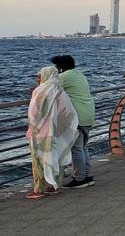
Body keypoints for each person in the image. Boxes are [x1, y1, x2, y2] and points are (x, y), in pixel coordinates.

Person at [25, 66, 79, 199]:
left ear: (46, 76)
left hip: (39, 134)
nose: (38, 78)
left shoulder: (40, 91)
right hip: (54, 133)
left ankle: (38, 190)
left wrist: (33, 126)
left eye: (39, 76)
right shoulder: (59, 91)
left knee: (38, 162)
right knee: (54, 158)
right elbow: (68, 112)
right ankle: (53, 186)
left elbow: (34, 113)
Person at [52, 55, 96, 189]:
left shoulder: (64, 77)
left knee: (76, 149)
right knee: (83, 147)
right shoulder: (79, 74)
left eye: (56, 67)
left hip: (77, 116)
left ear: (61, 67)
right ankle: (87, 176)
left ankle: (80, 179)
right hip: (88, 114)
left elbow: (50, 90)